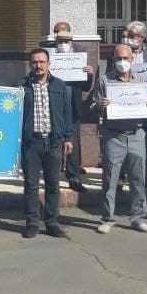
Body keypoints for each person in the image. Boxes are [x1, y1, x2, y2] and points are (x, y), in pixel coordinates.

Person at [92, 44, 147, 234]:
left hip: (136, 134)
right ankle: (108, 218)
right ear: (113, 59)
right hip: (113, 135)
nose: (122, 62)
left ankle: (138, 217)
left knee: (138, 179)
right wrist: (100, 105)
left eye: (125, 58)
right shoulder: (105, 80)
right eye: (118, 58)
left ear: (132, 59)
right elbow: (94, 107)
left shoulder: (142, 81)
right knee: (110, 179)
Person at [18, 48, 75, 238]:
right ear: (30, 64)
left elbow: (67, 113)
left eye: (42, 62)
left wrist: (68, 137)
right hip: (31, 143)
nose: (38, 65)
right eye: (35, 62)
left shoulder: (60, 86)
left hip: (53, 142)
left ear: (49, 64)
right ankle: (32, 223)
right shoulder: (21, 86)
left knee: (53, 185)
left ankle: (52, 222)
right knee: (31, 185)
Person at [108, 21, 147, 190]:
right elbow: (110, 75)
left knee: (146, 141)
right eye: (127, 36)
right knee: (121, 141)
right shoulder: (120, 52)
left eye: (132, 36)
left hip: (144, 104)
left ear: (142, 37)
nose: (128, 39)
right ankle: (121, 177)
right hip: (124, 103)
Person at [49, 22, 95, 194]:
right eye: (58, 38)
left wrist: (89, 74)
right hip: (52, 106)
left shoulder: (80, 52)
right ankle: (53, 176)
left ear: (71, 38)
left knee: (73, 141)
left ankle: (74, 176)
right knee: (54, 141)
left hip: (73, 106)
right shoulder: (49, 52)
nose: (61, 43)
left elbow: (85, 87)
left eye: (65, 39)